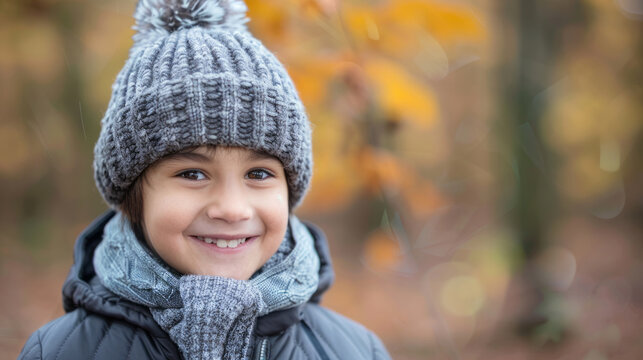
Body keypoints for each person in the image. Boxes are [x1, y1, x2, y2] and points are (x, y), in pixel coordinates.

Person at [18, 0, 391, 359]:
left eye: (258, 173)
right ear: (133, 196)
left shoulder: (357, 351)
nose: (231, 208)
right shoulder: (57, 352)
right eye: (192, 173)